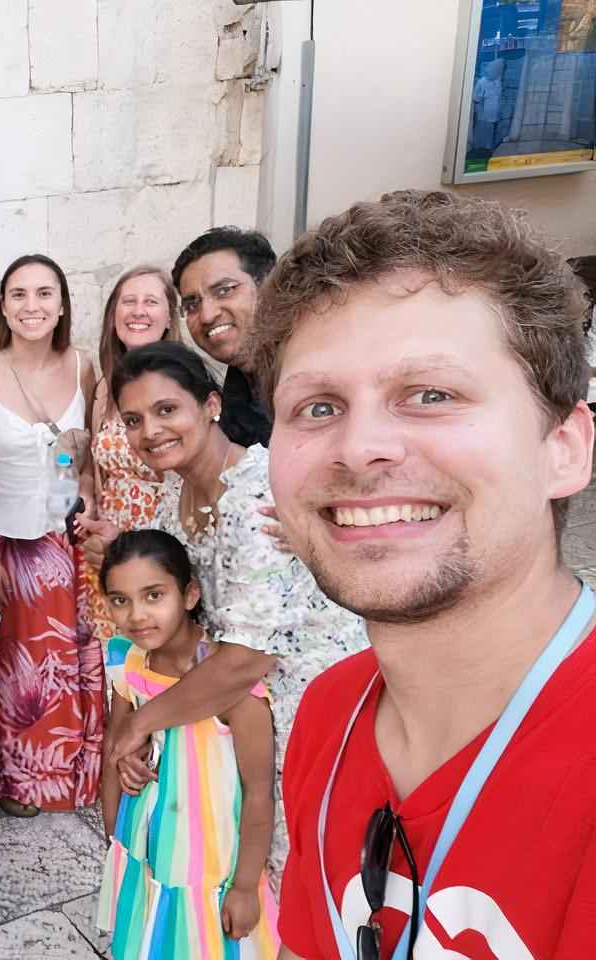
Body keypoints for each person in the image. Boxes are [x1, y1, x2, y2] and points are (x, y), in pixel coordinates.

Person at [249, 191, 596, 959]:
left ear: (565, 449)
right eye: (317, 407)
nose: (359, 447)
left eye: (431, 394)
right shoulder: (330, 716)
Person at [105, 342, 367, 884]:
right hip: (237, 717)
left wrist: (140, 723)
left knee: (311, 877)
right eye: (133, 419)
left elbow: (248, 658)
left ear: (211, 405)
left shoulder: (260, 496)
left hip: (311, 714)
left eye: (166, 409)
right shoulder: (173, 498)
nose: (150, 430)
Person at [0, 253, 104, 818]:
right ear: (3, 306)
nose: (32, 306)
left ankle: (65, 773)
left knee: (62, 667)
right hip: (5, 546)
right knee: (14, 673)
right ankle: (13, 780)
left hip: (66, 544)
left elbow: (85, 460)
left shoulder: (83, 366)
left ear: (63, 305)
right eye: (18, 294)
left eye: (45, 293)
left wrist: (85, 495)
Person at [97, 530, 279, 959]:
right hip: (146, 846)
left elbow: (258, 791)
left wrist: (244, 886)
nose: (137, 615)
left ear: (190, 593)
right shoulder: (128, 662)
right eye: (120, 600)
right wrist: (114, 841)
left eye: (154, 595)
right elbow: (114, 748)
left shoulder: (232, 687)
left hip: (211, 865)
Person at [76, 265, 181, 645]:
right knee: (121, 663)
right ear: (113, 315)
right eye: (128, 301)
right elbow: (95, 464)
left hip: (164, 545)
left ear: (169, 317)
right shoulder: (106, 386)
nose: (138, 311)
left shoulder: (181, 382)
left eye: (150, 302)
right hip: (110, 549)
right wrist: (88, 496)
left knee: (166, 658)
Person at [172, 227, 278, 449]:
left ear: (267, 286)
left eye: (224, 290)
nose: (207, 315)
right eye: (192, 305)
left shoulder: (316, 372)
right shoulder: (235, 390)